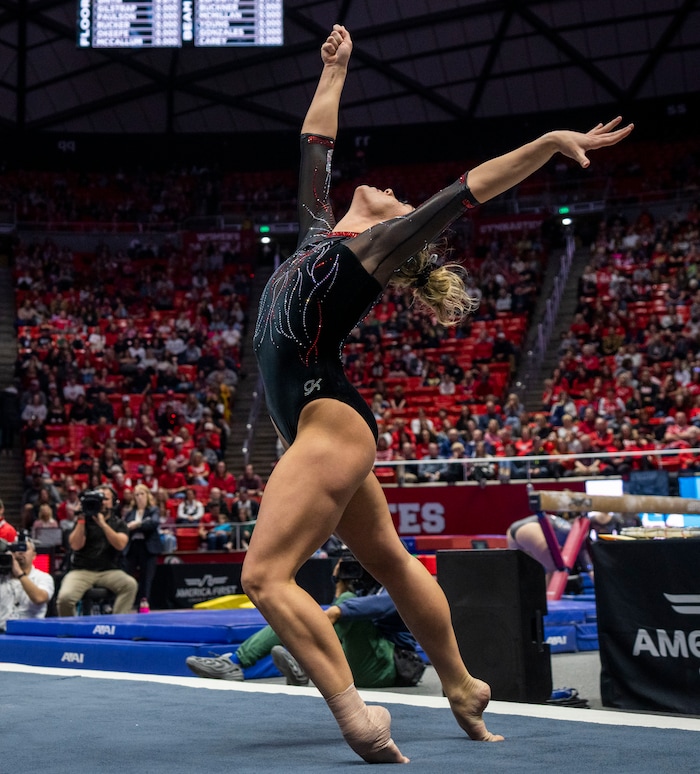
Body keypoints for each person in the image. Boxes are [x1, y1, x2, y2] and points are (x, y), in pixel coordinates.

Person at [245, 24, 632, 764]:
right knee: (389, 560)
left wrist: (550, 140)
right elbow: (314, 147)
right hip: (320, 423)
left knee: (264, 576)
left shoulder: (372, 249)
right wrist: (337, 71)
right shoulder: (318, 231)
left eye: (396, 196)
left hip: (327, 419)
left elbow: (469, 189)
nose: (389, 188)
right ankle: (461, 684)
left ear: (396, 228)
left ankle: (360, 718)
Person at [186, 555, 424, 690]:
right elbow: (340, 623)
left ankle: (304, 664)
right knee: (296, 616)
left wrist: (341, 605)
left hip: (391, 666)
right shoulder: (365, 587)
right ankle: (234, 662)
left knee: (344, 606)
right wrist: (340, 584)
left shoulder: (402, 581)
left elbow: (380, 606)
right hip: (362, 663)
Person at [56, 485, 138, 616]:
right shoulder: (83, 521)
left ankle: (118, 623)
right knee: (65, 598)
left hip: (109, 570)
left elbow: (120, 545)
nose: (101, 502)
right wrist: (81, 521)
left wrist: (103, 525)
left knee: (130, 585)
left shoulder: (118, 524)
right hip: (82, 570)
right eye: (98, 498)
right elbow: (75, 545)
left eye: (105, 498)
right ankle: (71, 629)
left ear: (114, 502)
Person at [0, 534, 55, 632]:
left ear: (34, 556)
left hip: (30, 633)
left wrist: (19, 574)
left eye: (25, 549)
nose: (20, 552)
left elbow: (39, 598)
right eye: (16, 549)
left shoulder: (43, 577)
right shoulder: (2, 576)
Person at [124, 484, 162, 608]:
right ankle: (128, 602)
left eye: (142, 494)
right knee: (128, 575)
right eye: (136, 495)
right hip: (133, 546)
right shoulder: (130, 513)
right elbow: (125, 526)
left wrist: (138, 524)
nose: (139, 497)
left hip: (148, 548)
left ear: (147, 495)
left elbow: (153, 523)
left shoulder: (153, 510)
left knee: (146, 577)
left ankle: (144, 602)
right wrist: (134, 526)